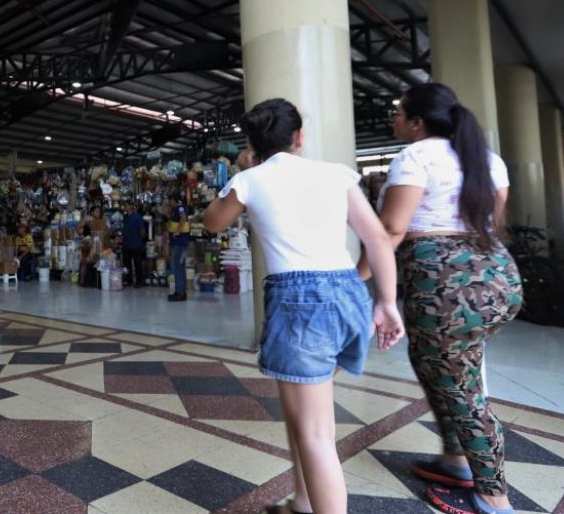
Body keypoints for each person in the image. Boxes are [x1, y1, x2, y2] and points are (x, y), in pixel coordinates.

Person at [204, 98, 403, 514]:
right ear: (299, 137)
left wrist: (245, 171)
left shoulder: (251, 180)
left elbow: (212, 221)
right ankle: (303, 501)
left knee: (315, 433)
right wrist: (386, 302)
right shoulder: (337, 175)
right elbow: (379, 238)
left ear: (252, 144)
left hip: (299, 303)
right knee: (303, 415)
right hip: (348, 294)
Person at [366, 83, 522, 514]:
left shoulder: (415, 157)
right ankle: (456, 461)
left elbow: (392, 230)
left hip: (445, 288)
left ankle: (492, 496)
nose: (393, 120)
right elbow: (491, 221)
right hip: (497, 278)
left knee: (461, 389)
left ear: (417, 123)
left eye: (398, 113)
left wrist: (355, 277)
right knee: (434, 366)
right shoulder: (488, 160)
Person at [166, 195, 191, 301]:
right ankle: (181, 291)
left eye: (170, 200)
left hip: (179, 244)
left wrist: (178, 231)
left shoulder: (180, 208)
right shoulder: (175, 209)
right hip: (178, 243)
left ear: (173, 200)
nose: (169, 203)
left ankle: (179, 292)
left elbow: (183, 217)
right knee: (180, 267)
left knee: (177, 268)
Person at [121, 202, 147, 288]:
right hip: (126, 244)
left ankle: (140, 281)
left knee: (137, 263)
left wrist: (140, 240)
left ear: (131, 206)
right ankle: (129, 280)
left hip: (136, 244)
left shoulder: (136, 217)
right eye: (124, 205)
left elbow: (142, 230)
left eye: (126, 205)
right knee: (127, 263)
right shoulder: (125, 217)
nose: (125, 206)